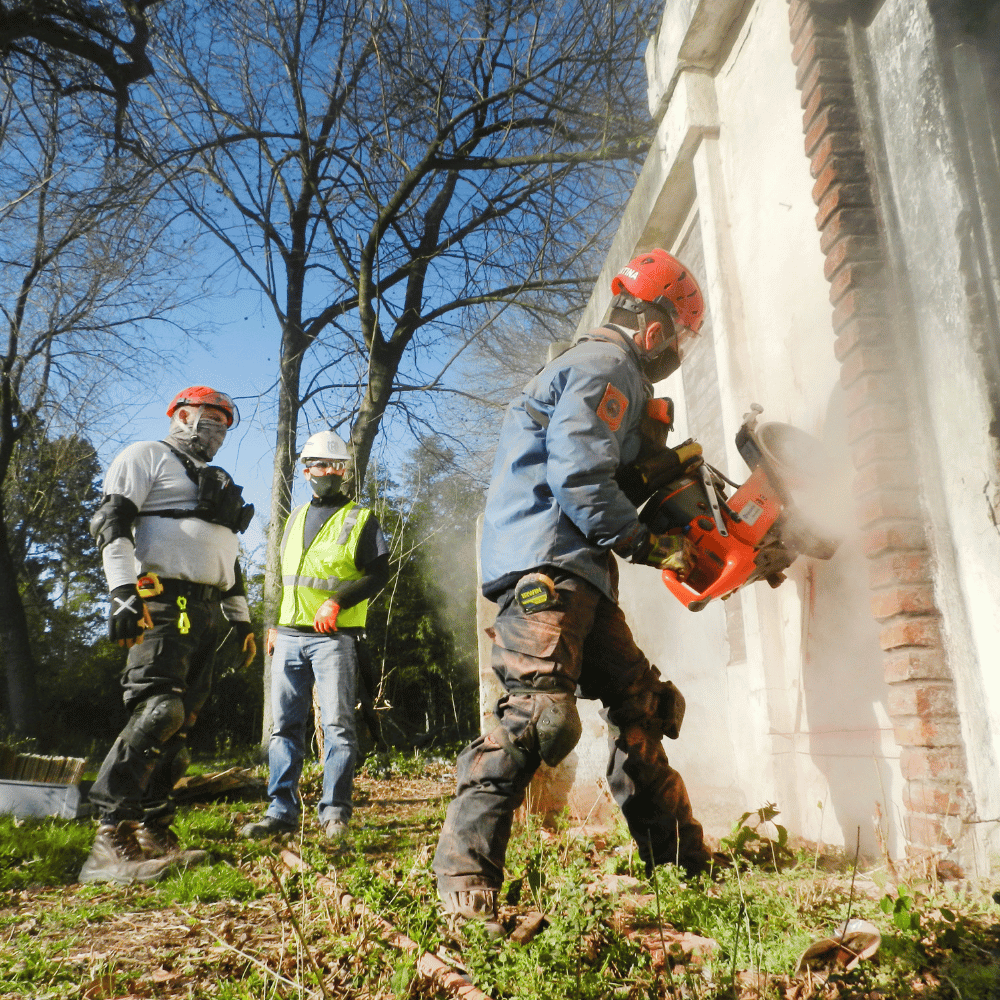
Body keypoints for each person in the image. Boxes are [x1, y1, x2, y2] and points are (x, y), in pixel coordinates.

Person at [432, 249, 718, 933]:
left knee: (641, 703)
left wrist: (663, 471)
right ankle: (465, 887)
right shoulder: (606, 365)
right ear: (654, 329)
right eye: (677, 338)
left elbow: (602, 470)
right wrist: (647, 542)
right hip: (549, 567)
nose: (675, 352)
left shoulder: (600, 371)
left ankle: (680, 864)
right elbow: (580, 477)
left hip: (577, 571)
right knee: (538, 717)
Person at [80, 386, 257, 884]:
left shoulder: (215, 480)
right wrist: (122, 592)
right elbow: (113, 521)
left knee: (181, 726)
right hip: (161, 599)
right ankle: (109, 838)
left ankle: (154, 829)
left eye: (224, 424)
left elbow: (228, 554)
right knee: (160, 710)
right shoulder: (145, 455)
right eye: (209, 418)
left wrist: (240, 619)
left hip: (205, 608)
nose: (217, 430)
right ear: (180, 415)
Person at [240, 430, 390, 841]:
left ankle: (335, 814)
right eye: (318, 465)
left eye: (334, 465)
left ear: (343, 471)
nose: (326, 472)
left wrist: (337, 602)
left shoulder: (360, 518)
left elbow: (379, 574)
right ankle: (280, 812)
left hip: (334, 639)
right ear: (306, 470)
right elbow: (285, 579)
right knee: (284, 728)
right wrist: (274, 623)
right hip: (288, 636)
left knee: (339, 727)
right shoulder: (294, 519)